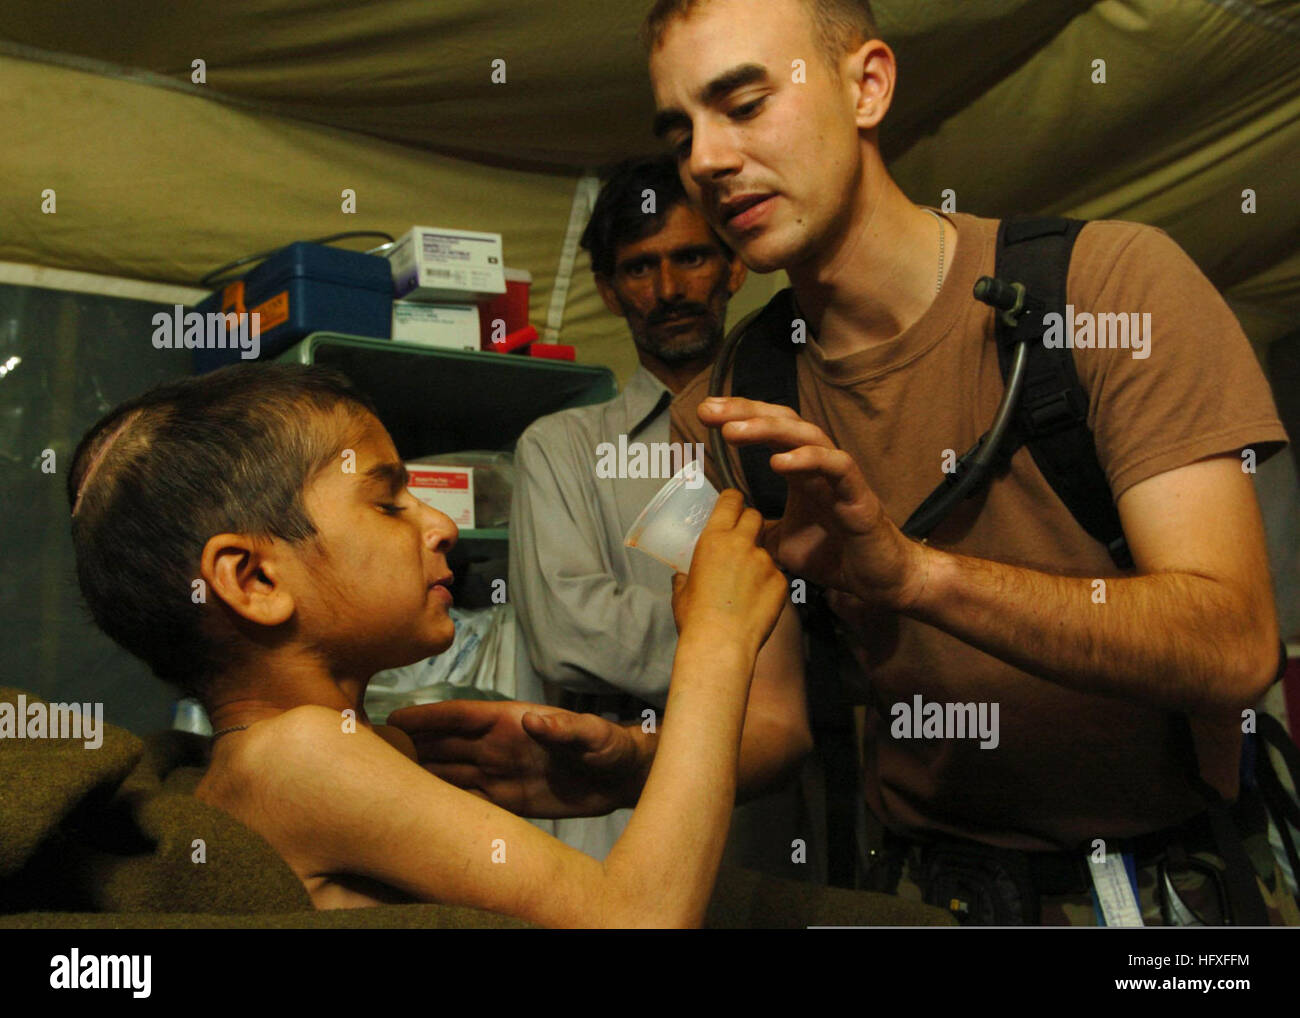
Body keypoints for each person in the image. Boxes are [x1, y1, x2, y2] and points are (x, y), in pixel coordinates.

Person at [392, 0, 1295, 926]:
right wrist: (625, 763)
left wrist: (915, 576)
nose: (704, 159)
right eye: (681, 131)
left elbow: (1232, 647)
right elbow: (776, 723)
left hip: (1174, 892)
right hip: (928, 894)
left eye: (743, 104)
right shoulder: (747, 385)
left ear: (867, 87)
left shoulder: (1107, 288)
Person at [66, 362, 789, 927]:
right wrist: (716, 644)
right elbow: (640, 919)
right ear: (253, 578)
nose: (440, 523)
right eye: (388, 503)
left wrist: (611, 769)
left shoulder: (320, 752)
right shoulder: (300, 754)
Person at [508, 153, 819, 876]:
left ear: (736, 267)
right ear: (610, 292)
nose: (670, 289)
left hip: (767, 815)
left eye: (690, 258)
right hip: (617, 820)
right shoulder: (560, 447)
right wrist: (764, 642)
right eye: (641, 268)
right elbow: (565, 629)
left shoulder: (795, 427)